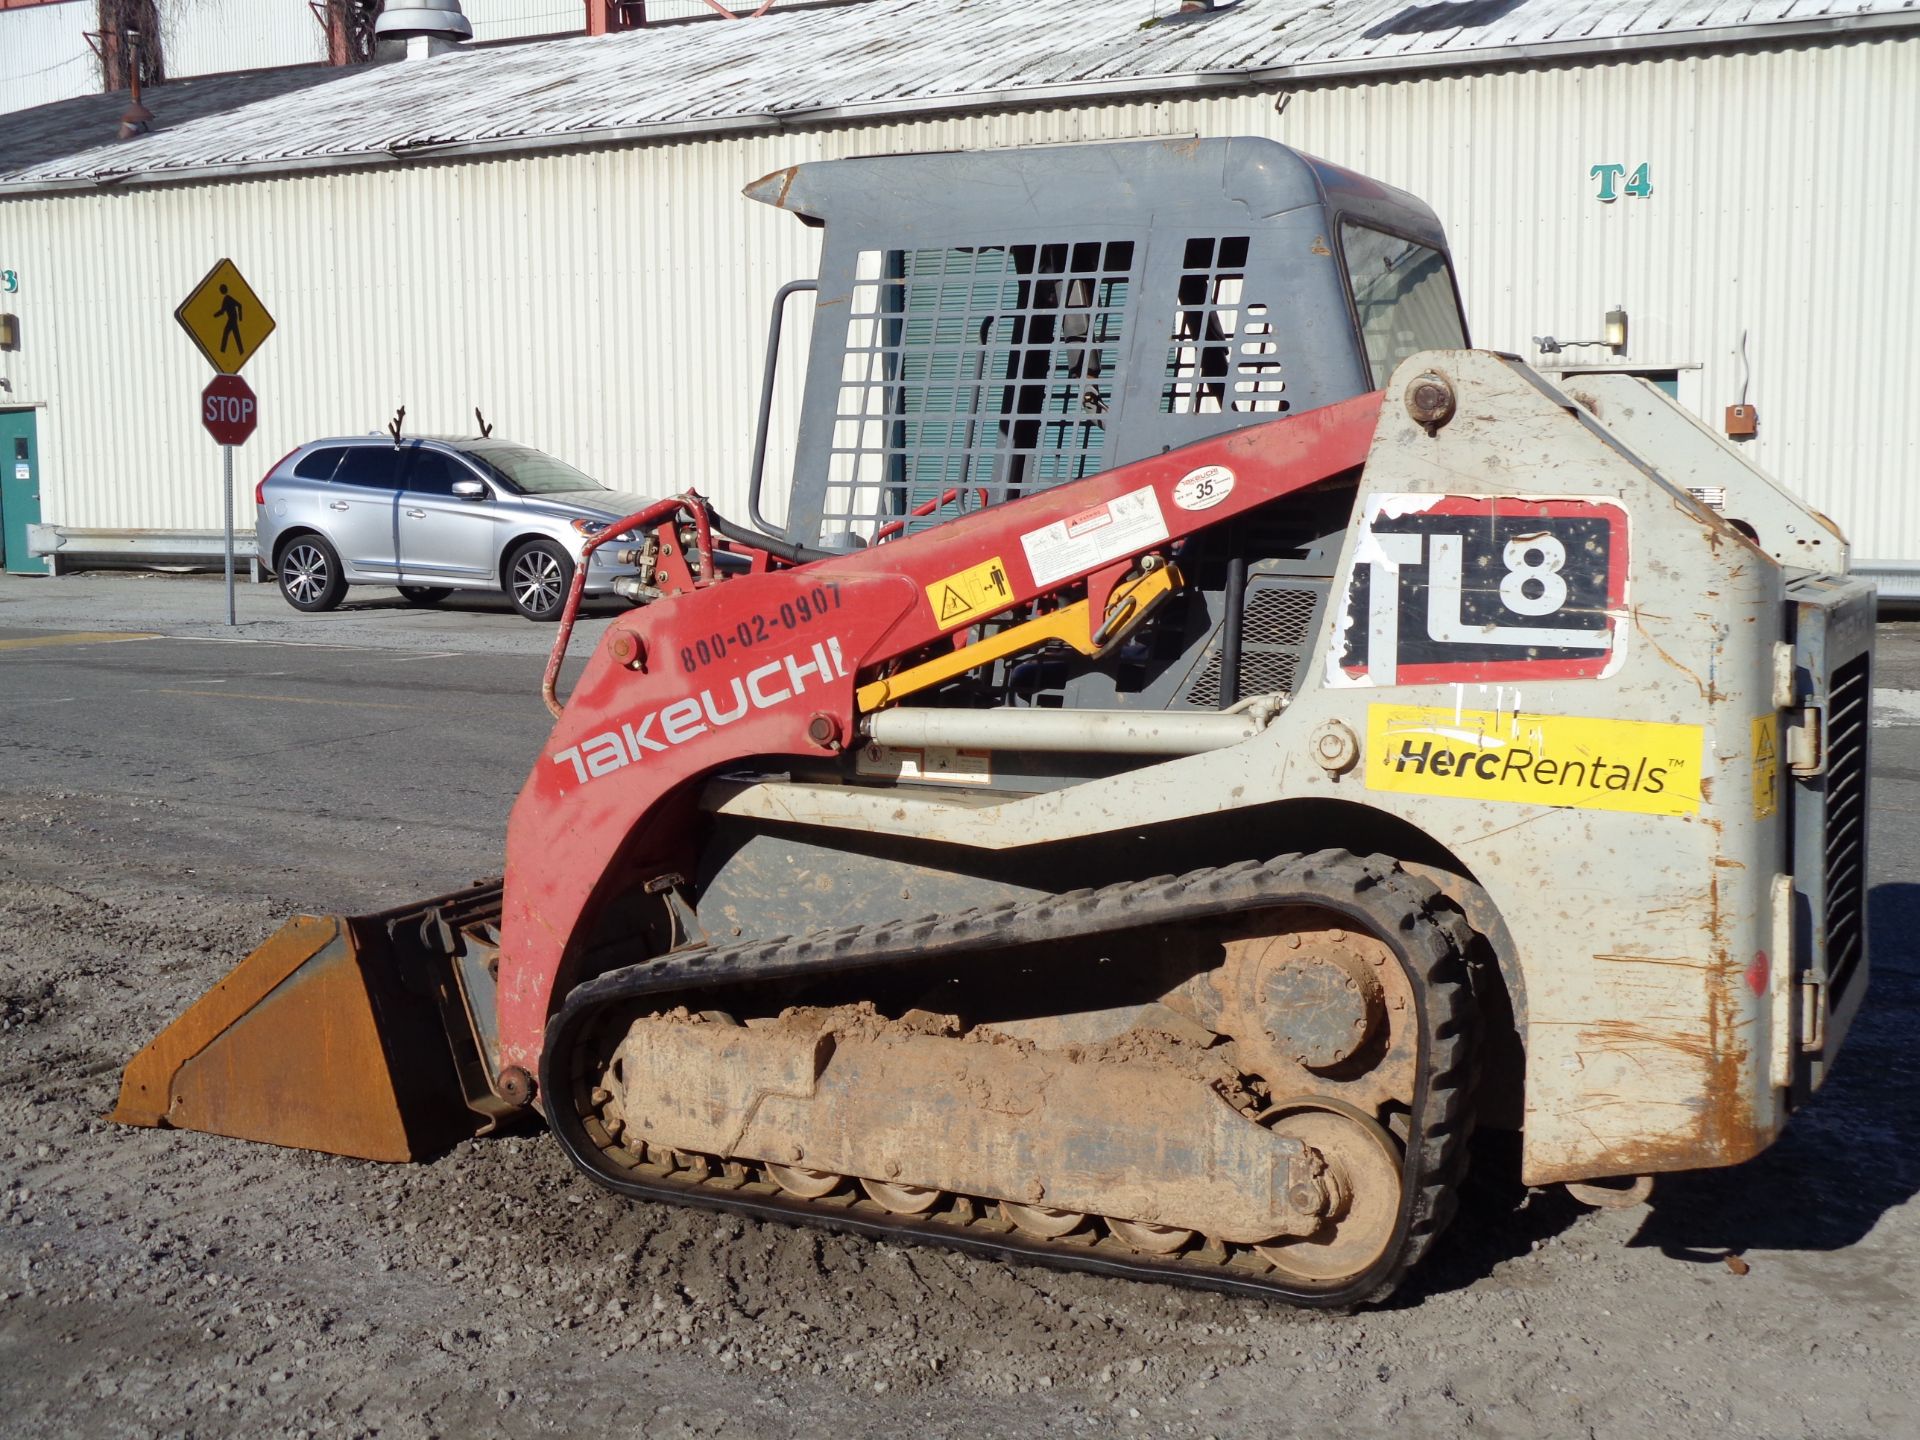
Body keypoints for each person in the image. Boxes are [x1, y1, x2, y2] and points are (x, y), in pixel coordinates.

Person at [215, 283, 244, 356]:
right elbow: (223, 311)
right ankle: (241, 351)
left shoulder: (227, 298)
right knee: (236, 335)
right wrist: (215, 315)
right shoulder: (227, 298)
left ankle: (222, 352)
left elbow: (239, 305)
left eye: (221, 289)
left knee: (226, 333)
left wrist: (240, 318)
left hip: (232, 320)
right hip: (233, 319)